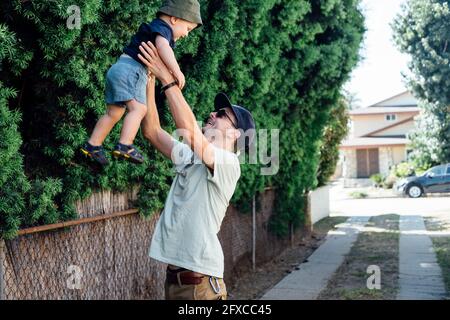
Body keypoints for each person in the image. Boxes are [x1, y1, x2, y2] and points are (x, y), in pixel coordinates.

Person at [138, 41, 256, 300]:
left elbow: (190, 131)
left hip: (200, 286)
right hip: (176, 283)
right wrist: (148, 76)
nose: (213, 114)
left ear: (236, 133)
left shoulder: (229, 163)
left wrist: (167, 78)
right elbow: (152, 132)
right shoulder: (192, 157)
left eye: (222, 115)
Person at [80, 0, 202, 165]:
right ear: (174, 19)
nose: (187, 34)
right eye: (188, 29)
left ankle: (93, 144)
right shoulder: (164, 29)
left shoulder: (155, 27)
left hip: (118, 69)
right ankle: (125, 145)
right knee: (139, 109)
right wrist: (176, 70)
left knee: (114, 113)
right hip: (132, 70)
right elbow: (162, 47)